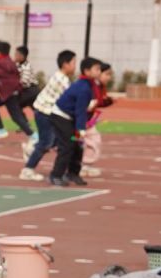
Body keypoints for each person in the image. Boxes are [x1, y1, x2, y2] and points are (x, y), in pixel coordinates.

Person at [49, 58, 110, 188]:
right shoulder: (83, 87)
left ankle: (72, 173)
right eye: (96, 69)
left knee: (78, 146)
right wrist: (81, 129)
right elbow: (80, 110)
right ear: (87, 71)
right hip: (61, 117)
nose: (99, 72)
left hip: (71, 118)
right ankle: (56, 175)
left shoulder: (91, 85)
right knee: (67, 146)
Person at [18, 50, 77, 181]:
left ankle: (32, 149)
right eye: (73, 63)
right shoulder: (61, 80)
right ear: (65, 64)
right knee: (46, 142)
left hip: (45, 111)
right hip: (44, 112)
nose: (75, 66)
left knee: (54, 140)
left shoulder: (61, 77)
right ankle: (27, 170)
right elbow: (72, 98)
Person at [0, 40, 30, 139]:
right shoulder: (11, 62)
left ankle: (33, 136)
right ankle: (1, 130)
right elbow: (17, 75)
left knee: (16, 117)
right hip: (12, 92)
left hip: (8, 94)